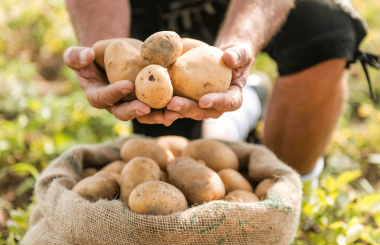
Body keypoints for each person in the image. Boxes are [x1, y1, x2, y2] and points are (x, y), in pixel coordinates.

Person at [63, 0, 369, 182]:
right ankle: (250, 103)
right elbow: (108, 48)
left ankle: (289, 190)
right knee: (182, 155)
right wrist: (101, 50)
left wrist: (237, 45)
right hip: (145, 14)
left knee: (325, 29)